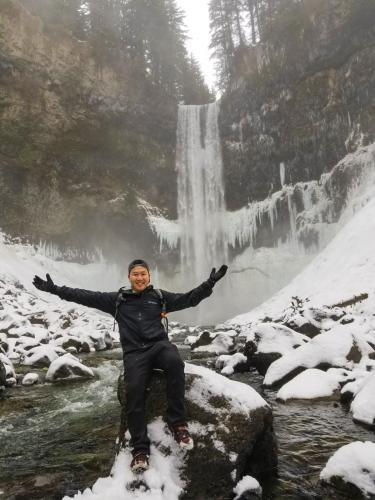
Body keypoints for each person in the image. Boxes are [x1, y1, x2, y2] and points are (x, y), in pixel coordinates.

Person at [33, 259, 228, 473]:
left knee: (174, 363)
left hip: (159, 346)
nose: (140, 277)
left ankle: (178, 424)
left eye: (143, 273)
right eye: (135, 274)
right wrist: (54, 289)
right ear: (129, 277)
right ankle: (140, 450)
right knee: (134, 389)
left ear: (149, 276)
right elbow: (84, 296)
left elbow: (189, 299)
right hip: (135, 353)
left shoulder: (159, 297)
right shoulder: (116, 300)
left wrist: (209, 283)